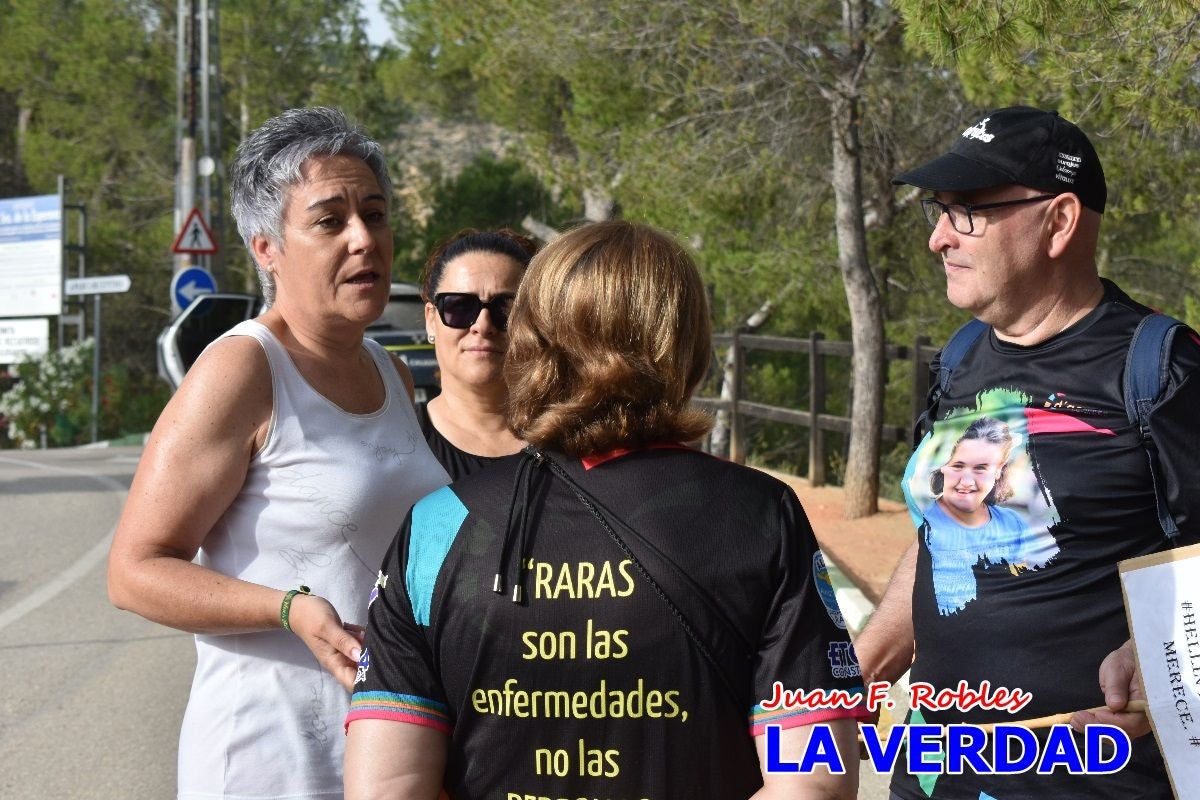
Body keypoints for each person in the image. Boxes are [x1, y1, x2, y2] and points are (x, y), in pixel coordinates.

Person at [343, 221, 866, 800]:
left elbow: (385, 787)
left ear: (532, 341)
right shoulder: (763, 515)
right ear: (687, 345)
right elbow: (814, 780)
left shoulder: (436, 525)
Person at [855, 106, 1200, 799]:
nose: (937, 238)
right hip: (933, 777)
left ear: (1060, 221)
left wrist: (1158, 654)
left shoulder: (1159, 368)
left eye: (968, 212)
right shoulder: (959, 358)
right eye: (938, 209)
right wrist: (871, 658)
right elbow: (941, 531)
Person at [106, 107, 450, 800]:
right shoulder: (240, 370)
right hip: (270, 757)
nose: (365, 240)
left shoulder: (388, 369)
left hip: (383, 752)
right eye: (329, 221)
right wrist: (289, 608)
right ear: (266, 247)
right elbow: (134, 572)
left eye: (376, 215)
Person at [416, 228, 537, 479]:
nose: (482, 325)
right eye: (459, 307)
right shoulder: (398, 444)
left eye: (506, 309)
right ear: (431, 320)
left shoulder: (571, 444)